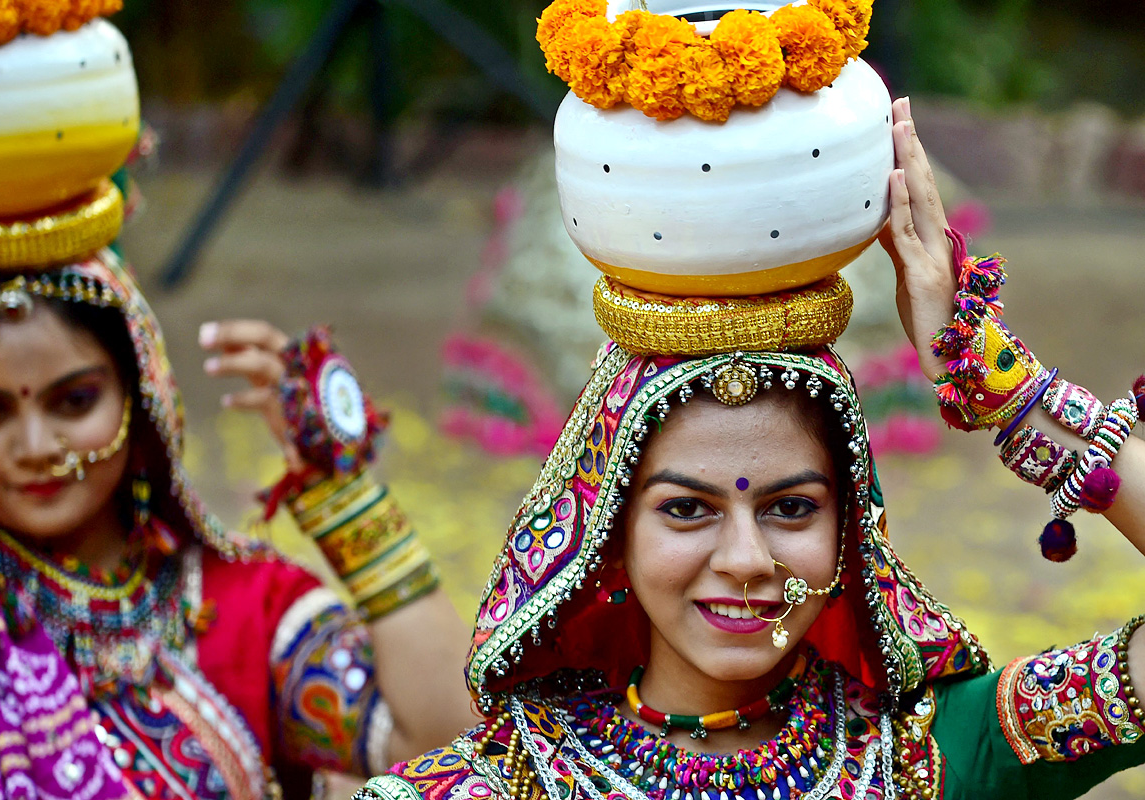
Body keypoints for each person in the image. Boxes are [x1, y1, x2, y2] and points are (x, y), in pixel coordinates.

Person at [355, 1, 1145, 797]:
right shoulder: (501, 783)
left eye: (792, 509)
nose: (745, 562)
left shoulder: (928, 759)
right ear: (610, 535)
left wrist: (991, 379)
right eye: (686, 509)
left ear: (851, 534)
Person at [0, 7, 474, 799]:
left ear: (144, 393)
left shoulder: (237, 607)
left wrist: (348, 499)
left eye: (75, 400)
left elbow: (446, 746)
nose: (35, 444)